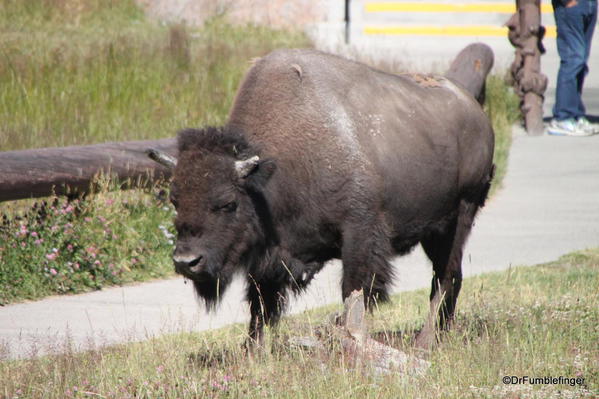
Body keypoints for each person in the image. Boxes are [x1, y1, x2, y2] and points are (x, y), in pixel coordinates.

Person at [548, 0, 598, 136]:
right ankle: (563, 117)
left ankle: (575, 114)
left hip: (588, 4)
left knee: (580, 62)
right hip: (571, 6)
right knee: (573, 59)